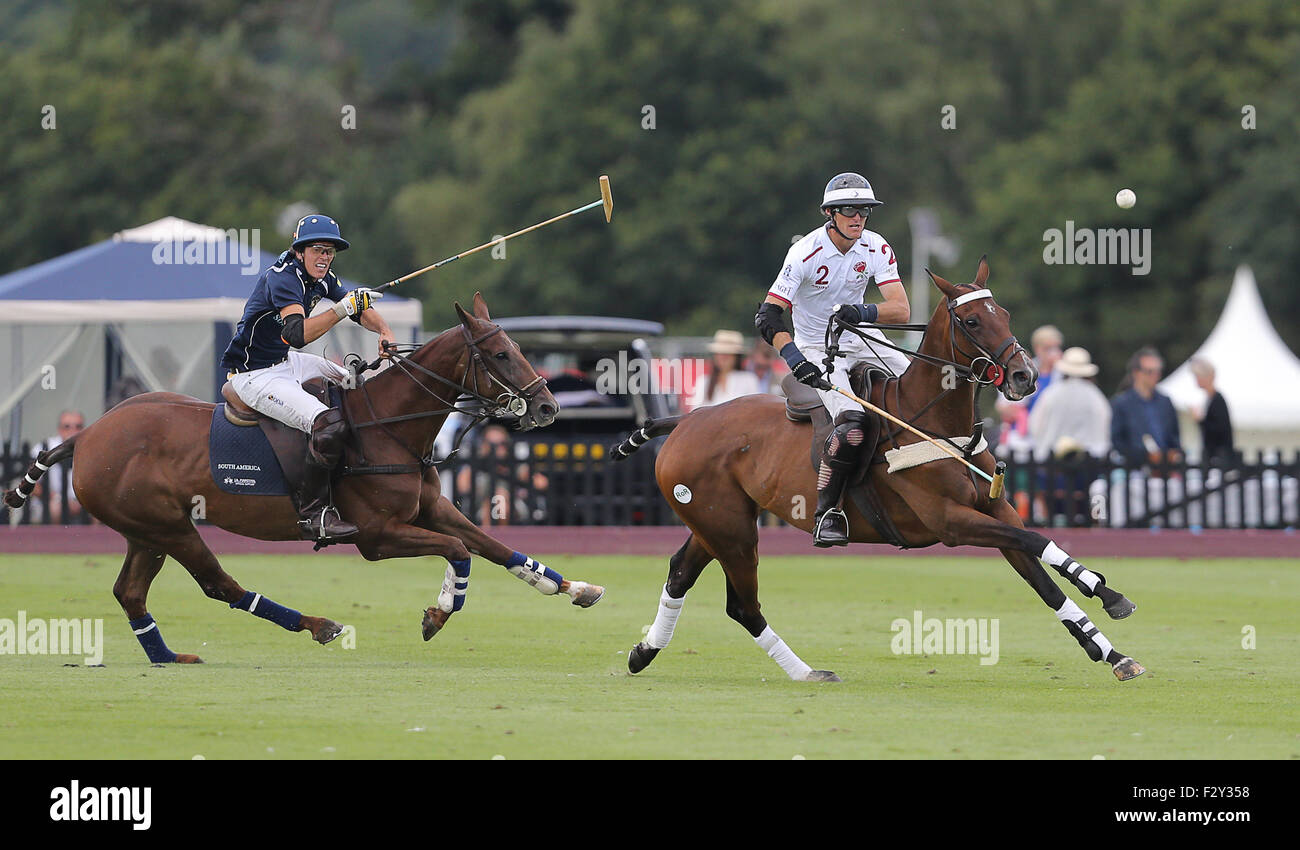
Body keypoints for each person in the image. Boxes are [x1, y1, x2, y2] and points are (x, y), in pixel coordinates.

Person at [755, 172, 910, 546]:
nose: (858, 217)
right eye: (849, 210)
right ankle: (828, 512)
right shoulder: (805, 252)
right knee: (852, 422)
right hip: (817, 346)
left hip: (863, 336)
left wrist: (864, 313)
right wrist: (794, 357)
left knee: (922, 386)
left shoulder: (875, 246)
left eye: (864, 211)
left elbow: (901, 309)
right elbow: (768, 316)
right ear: (830, 213)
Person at [220, 214, 395, 542]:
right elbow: (296, 333)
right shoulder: (283, 278)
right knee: (326, 424)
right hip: (254, 376)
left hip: (285, 363)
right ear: (299, 251)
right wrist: (342, 308)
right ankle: (315, 515)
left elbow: (357, 307)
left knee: (353, 383)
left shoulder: (323, 277)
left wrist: (383, 329)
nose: (325, 257)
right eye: (317, 249)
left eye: (330, 251)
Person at [1027, 347, 1111, 462]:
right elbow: (1105, 423)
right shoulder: (1095, 396)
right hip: (1089, 461)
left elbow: (1035, 424)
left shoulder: (1051, 393)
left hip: (1052, 461)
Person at [455, 424, 548, 525]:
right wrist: (480, 460)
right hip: (480, 509)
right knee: (496, 499)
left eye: (502, 444)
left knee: (499, 497)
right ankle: (494, 536)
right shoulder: (477, 465)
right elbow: (462, 487)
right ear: (483, 445)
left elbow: (542, 483)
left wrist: (513, 474)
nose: (497, 448)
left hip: (515, 507)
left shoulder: (514, 464)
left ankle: (497, 536)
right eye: (491, 443)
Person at [1110, 346, 1182, 466]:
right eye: (1149, 372)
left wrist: (1172, 454)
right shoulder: (1121, 403)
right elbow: (1118, 441)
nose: (1155, 376)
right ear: (1136, 373)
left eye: (1158, 371)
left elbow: (1174, 437)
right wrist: (1144, 456)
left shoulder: (1165, 402)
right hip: (1136, 471)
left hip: (1166, 469)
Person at [30, 410, 86, 524]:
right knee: (55, 509)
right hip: (51, 501)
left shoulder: (90, 449)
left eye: (78, 427)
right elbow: (31, 484)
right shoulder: (44, 448)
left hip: (84, 502)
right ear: (59, 429)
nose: (73, 431)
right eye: (67, 427)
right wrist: (57, 498)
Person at [689, 330, 761, 409]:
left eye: (728, 354)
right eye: (719, 353)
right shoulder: (703, 381)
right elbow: (695, 412)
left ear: (736, 357)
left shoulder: (749, 380)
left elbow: (755, 409)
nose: (723, 358)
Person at [1190, 357, 1235, 463]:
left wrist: (1200, 420)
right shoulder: (1210, 399)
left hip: (1219, 458)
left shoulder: (1217, 400)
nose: (1196, 380)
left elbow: (1219, 431)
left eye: (1198, 376)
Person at [1026, 325, 1063, 412]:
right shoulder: (1027, 369)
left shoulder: (1065, 373)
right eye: (1047, 348)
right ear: (1037, 349)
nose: (1053, 353)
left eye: (1055, 348)